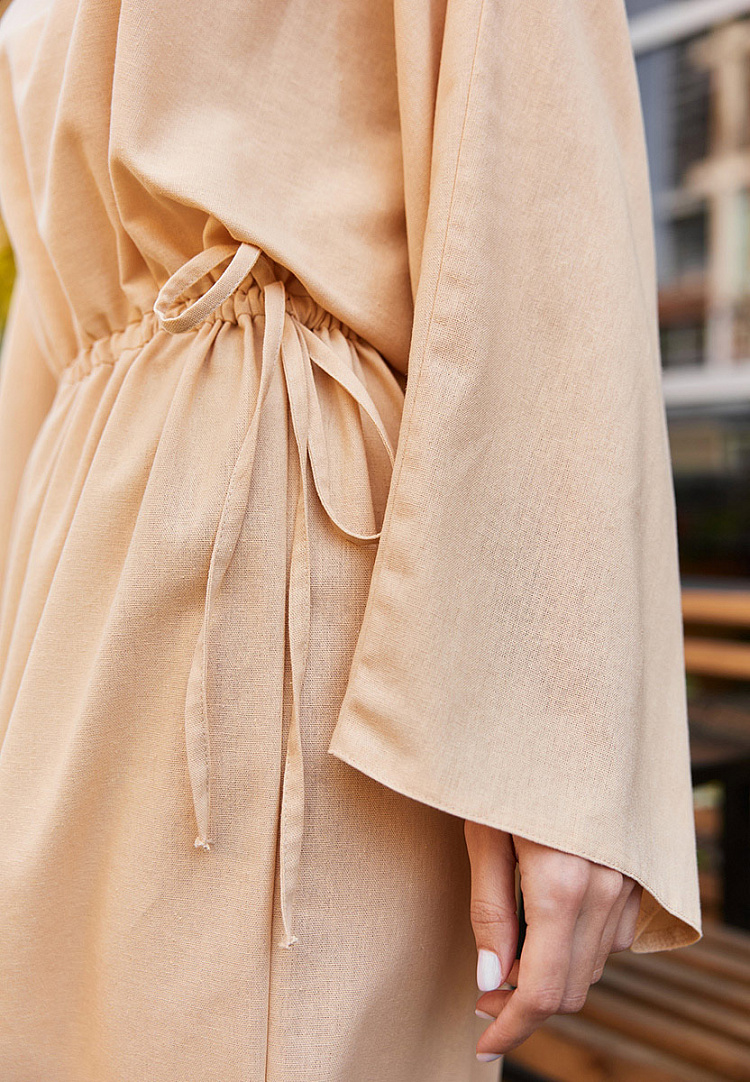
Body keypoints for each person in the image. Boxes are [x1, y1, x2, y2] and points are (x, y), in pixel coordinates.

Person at [0, 0, 702, 1078]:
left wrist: (562, 729)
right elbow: (51, 338)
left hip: (274, 550)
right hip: (73, 583)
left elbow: (540, 170)